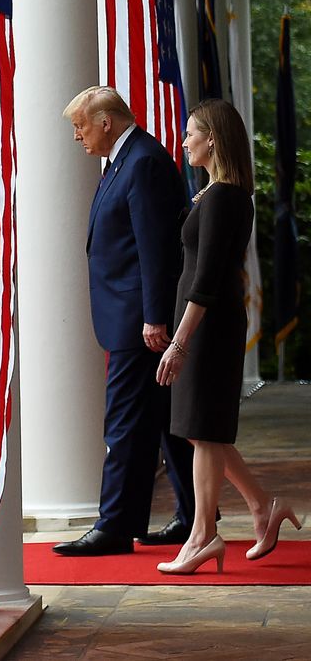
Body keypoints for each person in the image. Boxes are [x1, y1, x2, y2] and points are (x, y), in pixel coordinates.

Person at [154, 99, 302, 574]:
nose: (183, 141)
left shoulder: (222, 197)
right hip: (207, 324)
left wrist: (180, 342)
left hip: (208, 328)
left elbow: (208, 281)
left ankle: (202, 535)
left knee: (202, 431)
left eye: (190, 133)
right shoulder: (219, 193)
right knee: (207, 431)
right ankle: (263, 506)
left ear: (212, 138)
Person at [53, 86, 197, 557]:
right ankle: (195, 513)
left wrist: (155, 316)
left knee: (124, 422)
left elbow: (155, 248)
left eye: (80, 126)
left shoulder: (143, 162)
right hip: (133, 316)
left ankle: (114, 525)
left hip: (141, 321)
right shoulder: (126, 158)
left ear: (106, 122)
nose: (77, 136)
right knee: (163, 421)